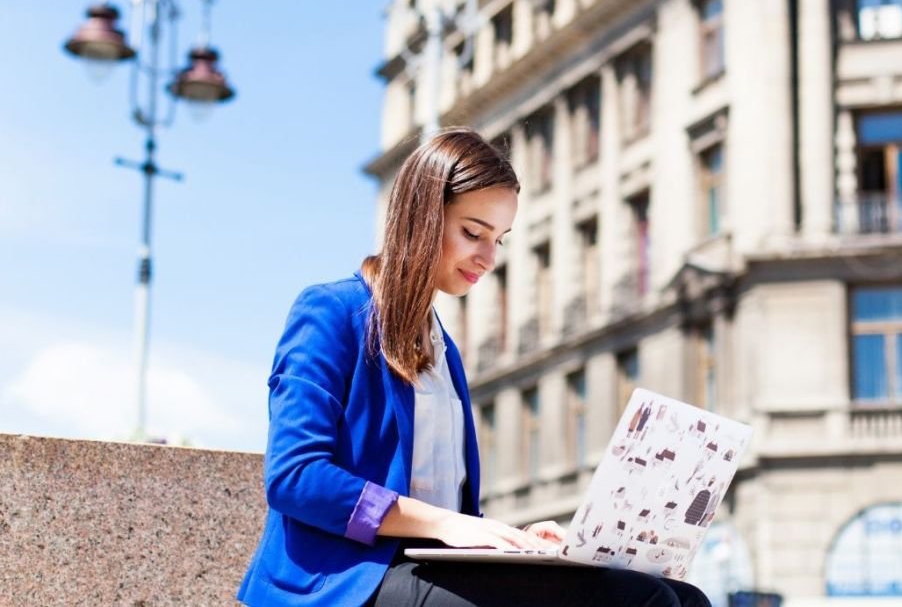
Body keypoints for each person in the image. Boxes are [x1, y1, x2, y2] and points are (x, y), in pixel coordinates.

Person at [237, 128, 711, 607]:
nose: (488, 258)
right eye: (472, 233)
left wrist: (515, 540)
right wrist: (450, 524)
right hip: (344, 581)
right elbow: (294, 477)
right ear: (422, 216)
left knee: (683, 597)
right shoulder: (331, 312)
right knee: (643, 601)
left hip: (427, 569)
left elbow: (447, 506)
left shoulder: (445, 352)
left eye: (499, 240)